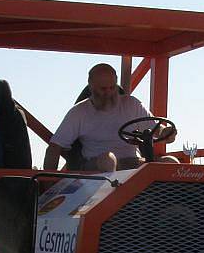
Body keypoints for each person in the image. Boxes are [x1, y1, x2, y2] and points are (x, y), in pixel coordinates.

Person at [43, 63, 177, 172]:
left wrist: (166, 132)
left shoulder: (131, 104)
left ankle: (170, 203)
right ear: (91, 86)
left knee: (171, 162)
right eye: (103, 89)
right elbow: (54, 148)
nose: (108, 93)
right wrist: (48, 182)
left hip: (132, 163)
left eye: (112, 88)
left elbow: (155, 128)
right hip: (96, 166)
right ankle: (113, 202)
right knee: (109, 160)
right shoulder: (79, 112)